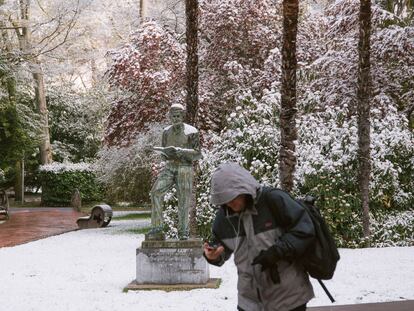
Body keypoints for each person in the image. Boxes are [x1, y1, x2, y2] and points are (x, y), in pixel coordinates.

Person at [203, 162, 315, 311]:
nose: (229, 203)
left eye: (232, 197)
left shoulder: (273, 200)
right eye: (224, 200)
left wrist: (277, 251)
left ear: (244, 189)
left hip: (289, 298)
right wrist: (213, 255)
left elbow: (305, 230)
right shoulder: (224, 216)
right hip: (248, 302)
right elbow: (219, 244)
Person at [148, 103, 201, 240]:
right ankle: (157, 229)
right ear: (170, 117)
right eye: (173, 116)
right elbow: (165, 152)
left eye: (178, 116)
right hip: (170, 166)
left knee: (183, 199)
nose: (176, 118)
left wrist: (182, 151)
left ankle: (183, 232)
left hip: (184, 167)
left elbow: (197, 154)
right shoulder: (166, 131)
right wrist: (164, 153)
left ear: (183, 116)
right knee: (156, 192)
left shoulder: (192, 131)